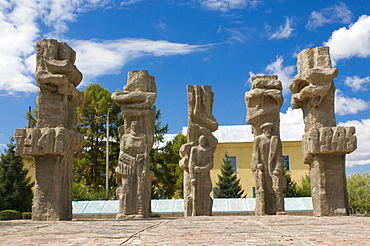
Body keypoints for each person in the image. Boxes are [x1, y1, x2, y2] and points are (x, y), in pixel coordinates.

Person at [251, 122, 284, 215]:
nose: (268, 131)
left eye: (270, 129)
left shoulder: (276, 140)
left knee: (276, 188)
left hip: (273, 168)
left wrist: (278, 168)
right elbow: (255, 153)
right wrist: (256, 165)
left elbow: (279, 156)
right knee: (262, 187)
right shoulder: (258, 139)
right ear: (263, 130)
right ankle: (262, 210)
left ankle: (278, 209)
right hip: (262, 167)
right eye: (266, 129)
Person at [188, 135, 214, 216]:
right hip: (196, 176)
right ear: (198, 140)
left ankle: (206, 212)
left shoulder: (209, 150)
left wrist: (202, 169)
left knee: (206, 192)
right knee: (196, 195)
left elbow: (211, 164)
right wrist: (192, 177)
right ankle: (195, 213)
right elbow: (191, 163)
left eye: (204, 139)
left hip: (205, 174)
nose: (202, 141)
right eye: (201, 139)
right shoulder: (194, 149)